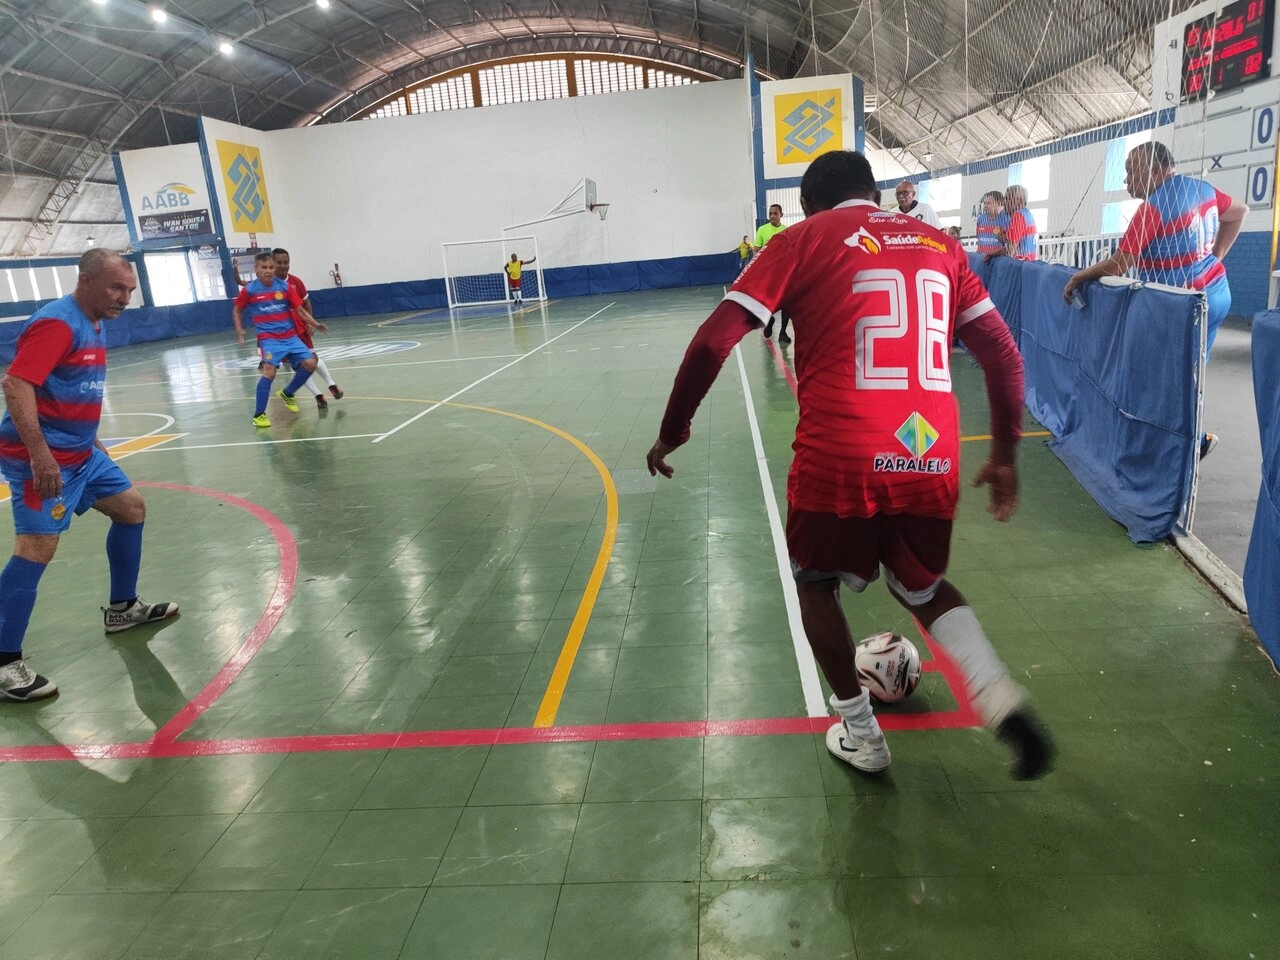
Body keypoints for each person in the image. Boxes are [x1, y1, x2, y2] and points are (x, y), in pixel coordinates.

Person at [645, 150, 1054, 780]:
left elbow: (712, 340)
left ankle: (862, 734)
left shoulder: (802, 239)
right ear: (876, 192)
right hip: (928, 449)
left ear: (809, 205)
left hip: (842, 450)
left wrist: (673, 430)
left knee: (815, 582)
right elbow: (1002, 355)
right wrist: (1003, 456)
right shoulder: (940, 244)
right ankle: (999, 697)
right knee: (921, 586)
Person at [0, 250, 179, 701]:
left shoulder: (94, 321)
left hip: (81, 451)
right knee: (37, 547)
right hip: (42, 458)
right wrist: (41, 456)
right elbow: (16, 384)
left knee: (131, 508)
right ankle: (3, 664)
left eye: (130, 291)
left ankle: (122, 609)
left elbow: (74, 389)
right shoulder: (58, 323)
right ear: (86, 281)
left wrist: (90, 439)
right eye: (116, 288)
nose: (124, 298)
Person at [1063, 140, 1246, 459]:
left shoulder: (1152, 209)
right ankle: (1185, 440)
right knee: (1190, 373)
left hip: (1182, 307)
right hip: (1215, 294)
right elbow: (1239, 212)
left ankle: (1185, 444)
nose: (1126, 181)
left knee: (1165, 377)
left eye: (1131, 172)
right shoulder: (1202, 189)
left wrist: (1079, 277)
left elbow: (1120, 263)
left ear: (1156, 170)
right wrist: (1215, 257)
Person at [233, 251, 327, 428]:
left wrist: (315, 324)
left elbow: (300, 309)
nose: (268, 270)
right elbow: (237, 309)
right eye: (264, 267)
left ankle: (288, 393)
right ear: (256, 269)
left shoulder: (285, 288)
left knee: (310, 363)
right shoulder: (250, 290)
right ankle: (259, 415)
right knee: (269, 371)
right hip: (269, 339)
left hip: (290, 336)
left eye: (270, 267)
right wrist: (239, 329)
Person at [273, 248, 343, 409]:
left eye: (286, 263)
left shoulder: (295, 282)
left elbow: (307, 304)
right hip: (280, 334)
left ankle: (331, 384)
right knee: (299, 367)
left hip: (300, 328)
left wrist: (311, 323)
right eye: (279, 263)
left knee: (312, 359)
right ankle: (318, 395)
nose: (283, 266)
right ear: (272, 263)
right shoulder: (267, 285)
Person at [754, 204, 792, 344]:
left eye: (775, 213)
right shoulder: (762, 230)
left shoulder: (787, 230)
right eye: (770, 213)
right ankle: (769, 321)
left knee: (786, 304)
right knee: (765, 302)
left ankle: (783, 332)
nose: (772, 216)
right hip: (767, 273)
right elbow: (757, 250)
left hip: (783, 273)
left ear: (781, 214)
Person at [1002, 185, 1038, 260]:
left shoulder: (1018, 216)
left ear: (1019, 201)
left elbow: (1010, 250)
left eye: (1007, 199)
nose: (1004, 202)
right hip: (1030, 265)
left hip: (1020, 266)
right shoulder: (1028, 215)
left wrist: (992, 254)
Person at [975, 190, 1010, 259]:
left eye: (988, 203)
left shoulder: (1007, 219)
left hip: (998, 262)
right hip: (981, 260)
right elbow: (979, 238)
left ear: (999, 203)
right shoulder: (980, 219)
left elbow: (1010, 245)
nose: (985, 206)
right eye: (984, 203)